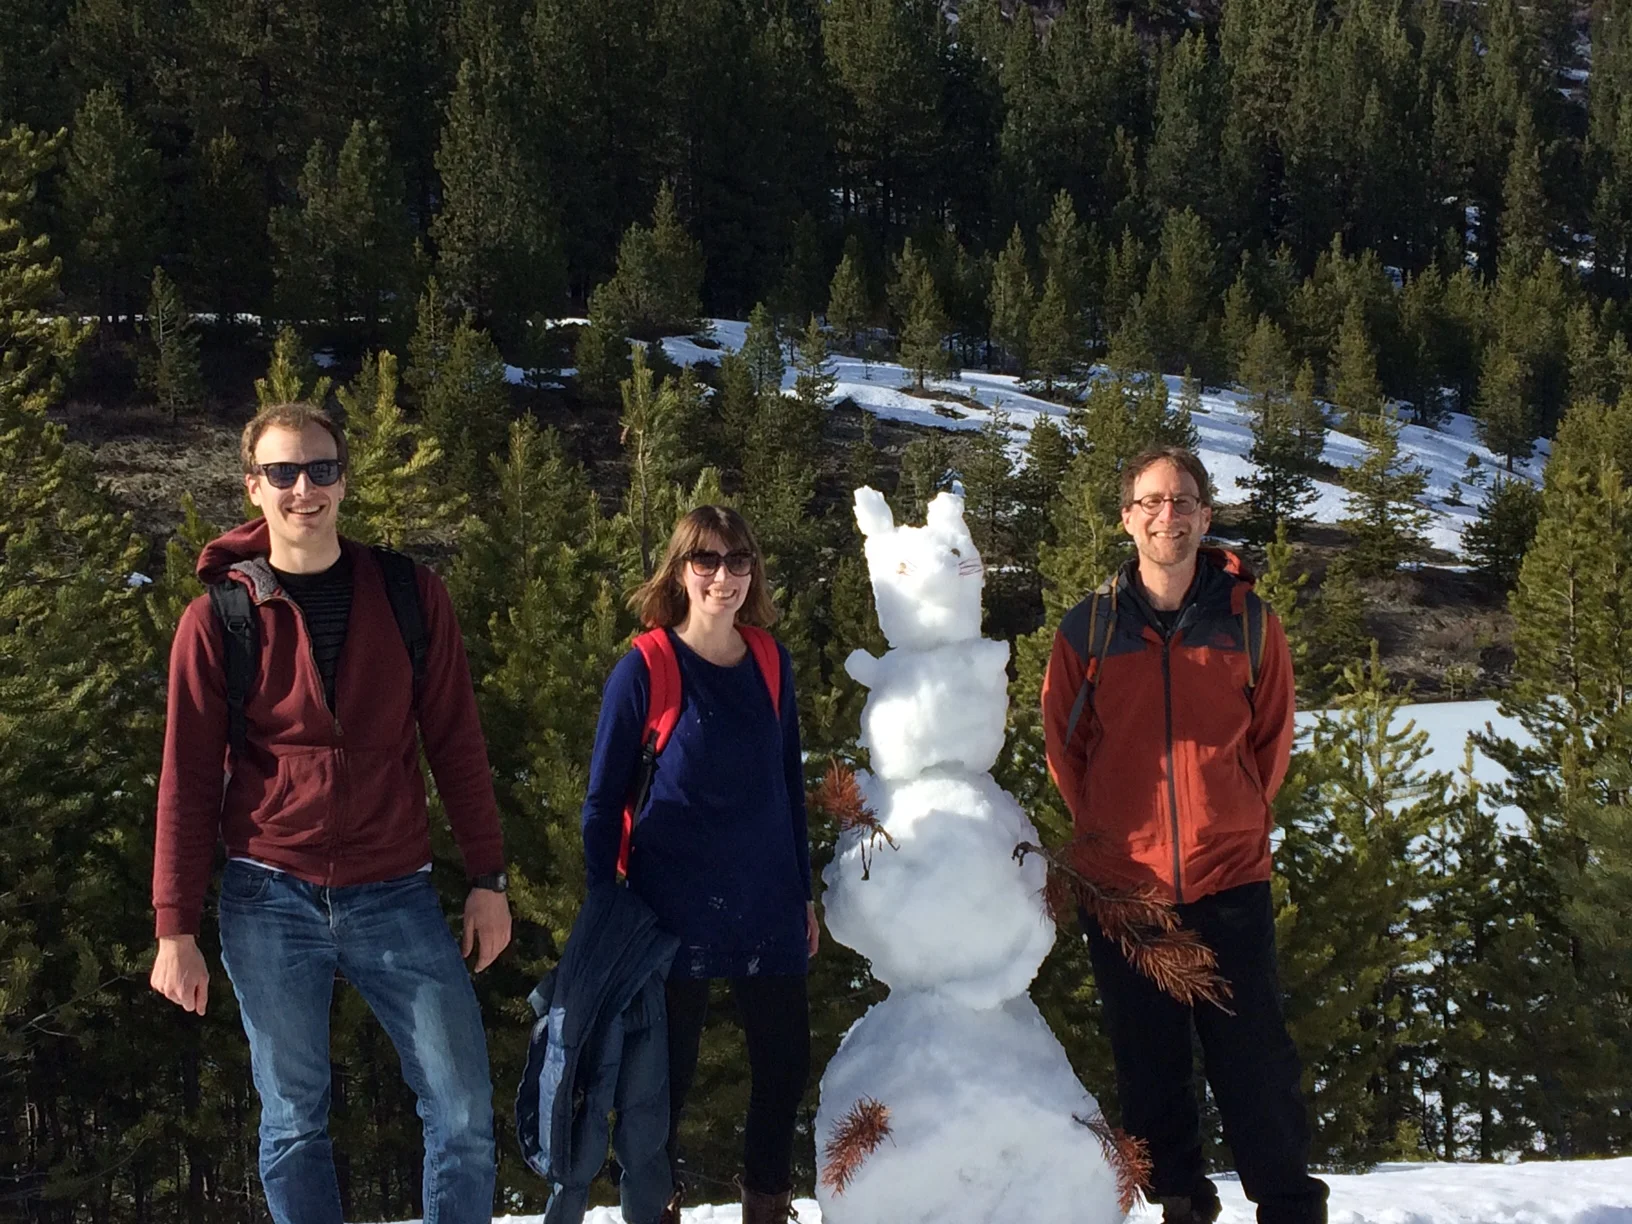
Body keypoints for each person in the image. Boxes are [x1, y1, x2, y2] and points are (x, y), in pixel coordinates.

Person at [149, 401, 511, 1224]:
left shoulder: (411, 596)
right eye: (282, 472)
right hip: (268, 892)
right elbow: (188, 780)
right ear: (253, 486)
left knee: (460, 1113)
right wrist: (174, 928)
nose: (302, 488)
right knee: (292, 1121)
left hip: (395, 891)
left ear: (345, 480)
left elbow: (457, 743)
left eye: (320, 469)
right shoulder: (218, 619)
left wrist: (487, 878)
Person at [1042, 447, 1329, 1224]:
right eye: (1153, 501)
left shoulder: (1251, 624)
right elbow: (1065, 752)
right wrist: (1108, 838)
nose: (1169, 514)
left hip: (1230, 879)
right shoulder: (1089, 630)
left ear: (1205, 517)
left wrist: (1229, 820)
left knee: (1256, 1070)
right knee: (1150, 1072)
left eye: (1185, 500)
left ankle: (1290, 1209)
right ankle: (1180, 1207)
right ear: (1127, 517)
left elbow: (1270, 746)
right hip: (1125, 892)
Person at [581, 506, 818, 1224]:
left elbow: (787, 783)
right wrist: (607, 910)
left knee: (784, 1068)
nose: (724, 576)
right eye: (707, 561)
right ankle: (656, 1209)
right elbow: (601, 802)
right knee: (662, 1086)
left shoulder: (771, 662)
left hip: (766, 898)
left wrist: (802, 895)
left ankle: (766, 1207)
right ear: (680, 570)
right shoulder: (647, 666)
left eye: (738, 561)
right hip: (669, 908)